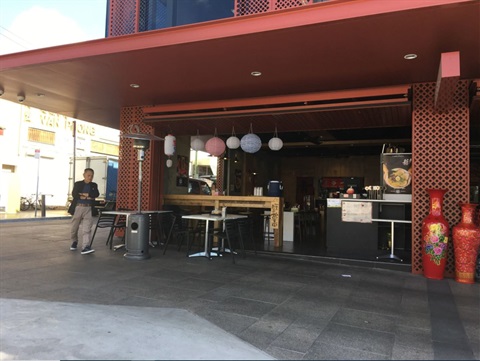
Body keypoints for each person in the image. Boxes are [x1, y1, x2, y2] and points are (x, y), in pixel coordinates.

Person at [68, 168, 100, 254]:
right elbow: (75, 194)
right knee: (74, 227)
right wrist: (88, 196)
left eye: (92, 176)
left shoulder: (94, 185)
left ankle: (85, 246)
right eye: (88, 175)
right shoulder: (78, 184)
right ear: (84, 175)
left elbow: (96, 194)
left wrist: (85, 195)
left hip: (89, 208)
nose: (90, 177)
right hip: (78, 207)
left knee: (87, 228)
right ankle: (74, 241)